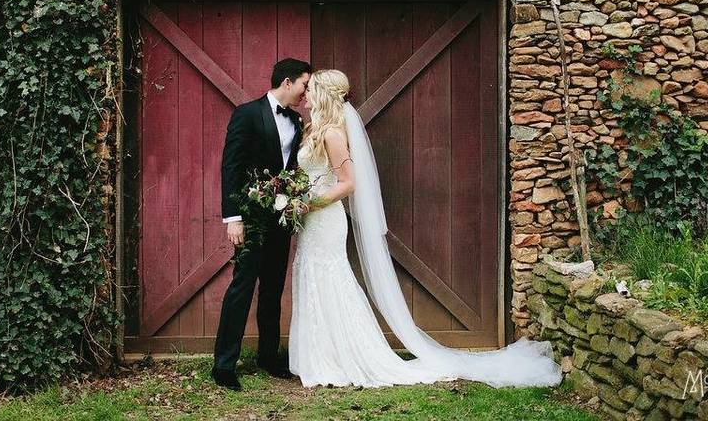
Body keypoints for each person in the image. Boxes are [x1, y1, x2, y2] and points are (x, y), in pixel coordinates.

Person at [288, 69, 563, 388]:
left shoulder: (333, 134)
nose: (305, 94)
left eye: (311, 90)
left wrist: (311, 203)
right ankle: (320, 354)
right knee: (310, 275)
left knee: (329, 278)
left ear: (323, 95)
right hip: (310, 219)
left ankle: (345, 356)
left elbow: (349, 183)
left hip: (325, 218)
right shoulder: (312, 129)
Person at [211, 58, 311, 391]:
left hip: (280, 219)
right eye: (303, 84)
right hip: (250, 219)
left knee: (272, 289)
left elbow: (292, 167)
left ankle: (268, 357)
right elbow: (231, 167)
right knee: (242, 287)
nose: (305, 91)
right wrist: (233, 218)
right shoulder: (247, 114)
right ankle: (224, 365)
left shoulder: (296, 120)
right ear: (287, 82)